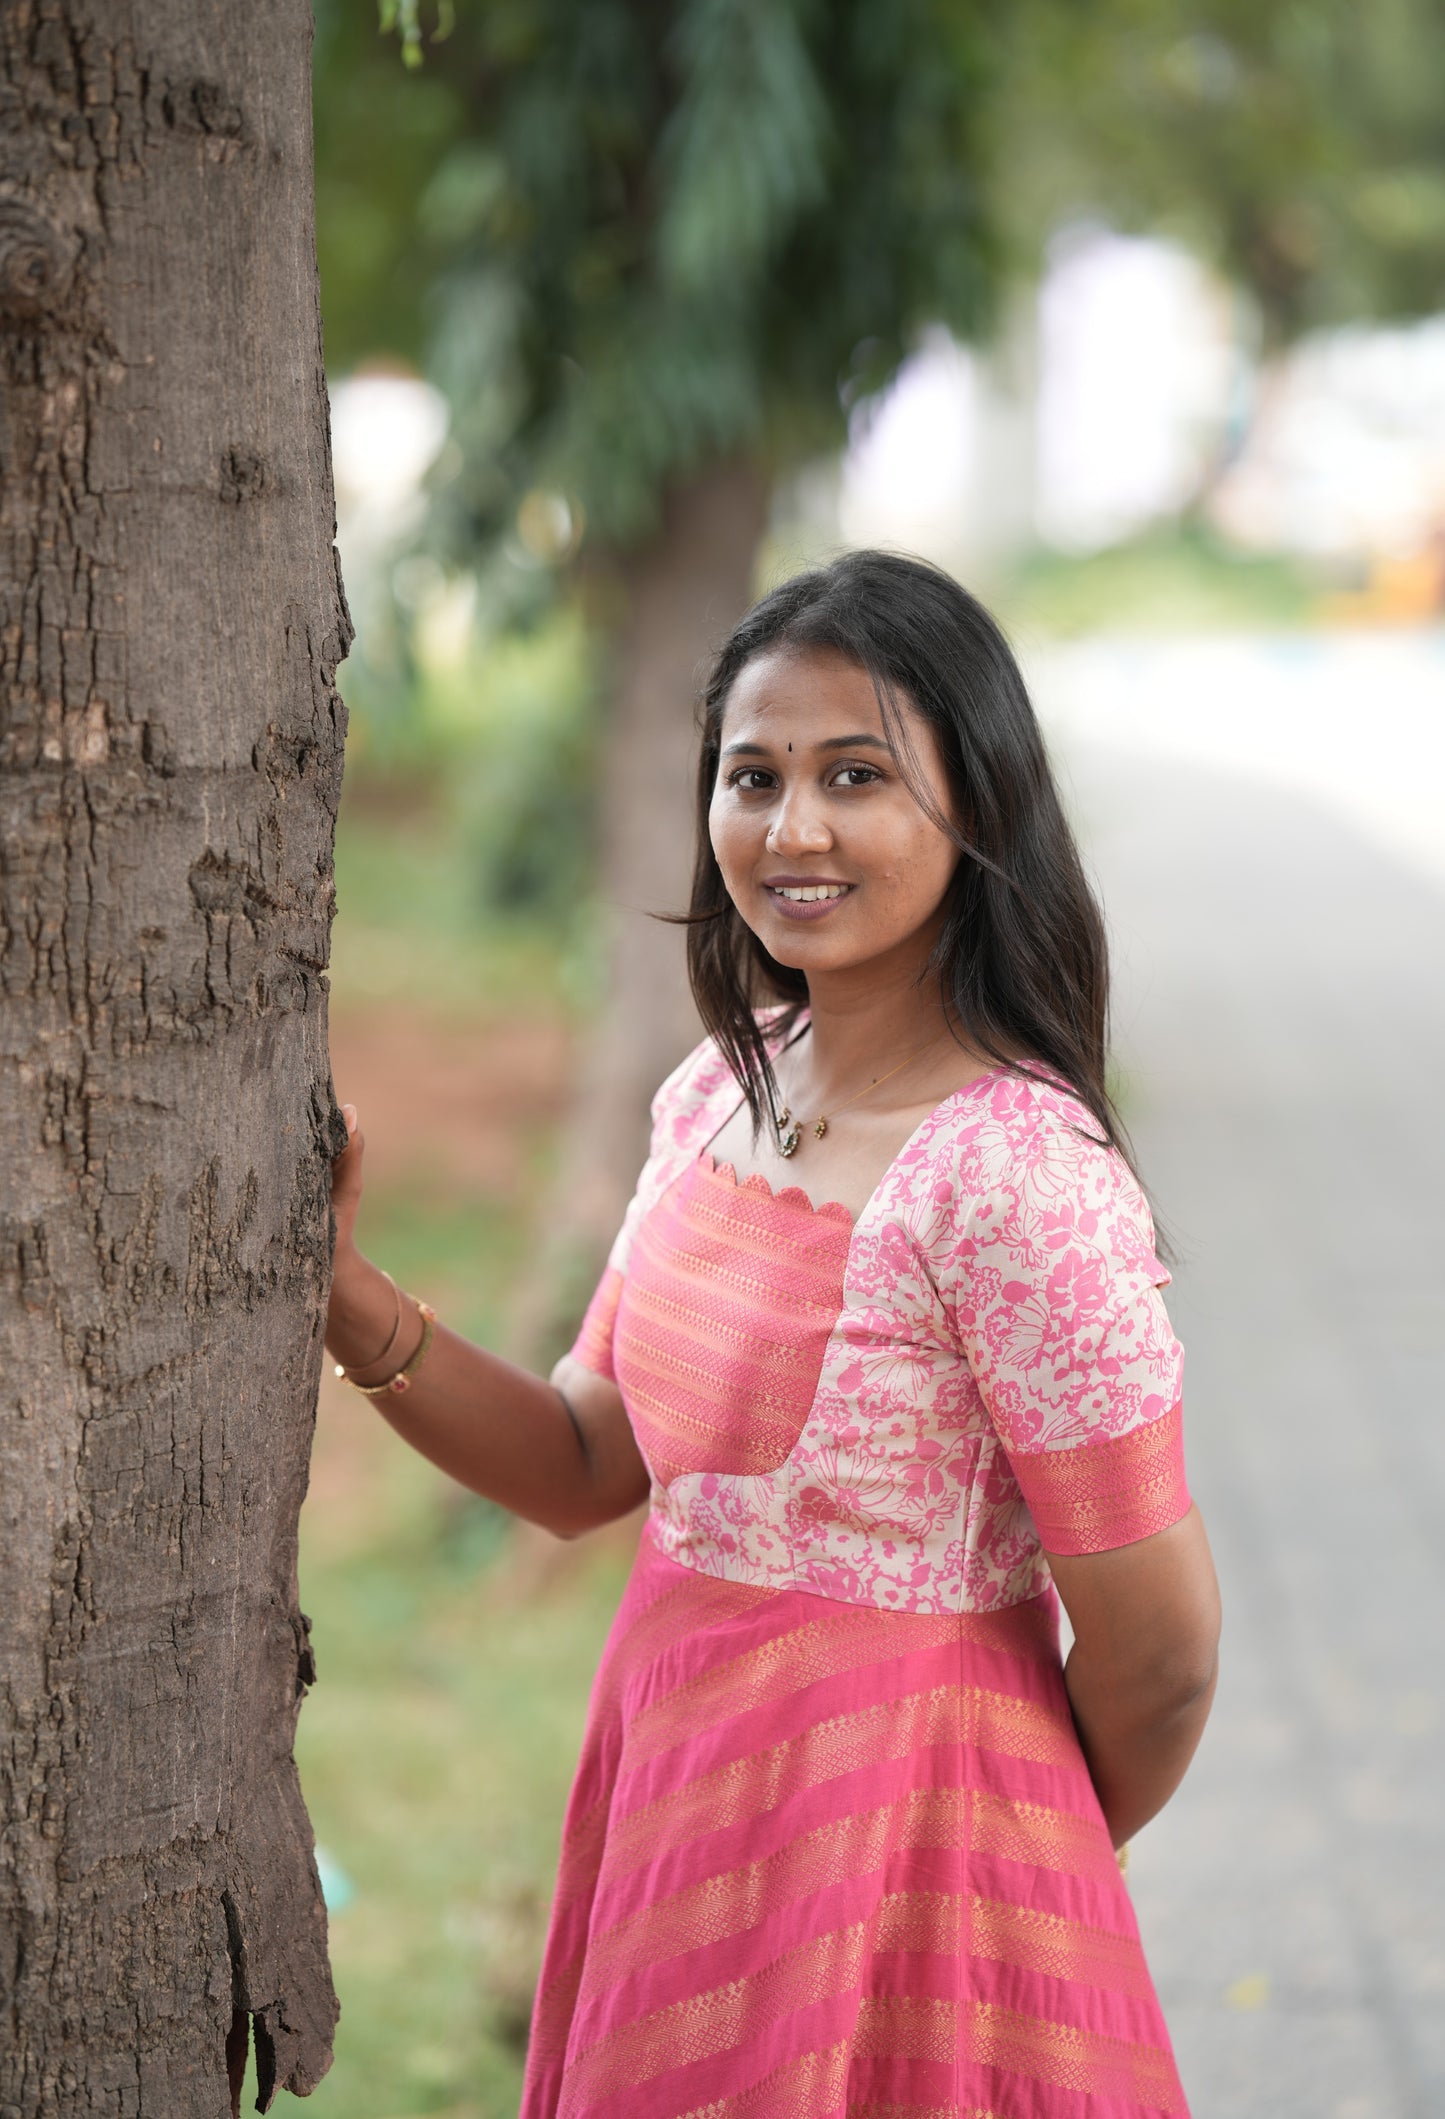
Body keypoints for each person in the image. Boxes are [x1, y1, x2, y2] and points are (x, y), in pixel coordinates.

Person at [326, 550, 1221, 2119]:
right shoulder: (721, 1092)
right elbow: (586, 1460)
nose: (791, 829)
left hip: (920, 1883)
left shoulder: (1014, 1178)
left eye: (856, 776)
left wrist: (997, 1870)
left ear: (977, 805)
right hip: (680, 1813)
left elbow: (1157, 1659)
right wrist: (337, 1290)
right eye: (754, 777)